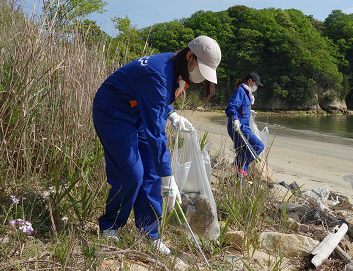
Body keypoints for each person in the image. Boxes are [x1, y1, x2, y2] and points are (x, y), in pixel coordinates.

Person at [92, 35, 221, 254]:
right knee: (131, 174)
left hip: (138, 111)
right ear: (190, 56)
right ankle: (110, 226)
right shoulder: (157, 73)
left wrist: (170, 114)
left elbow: (154, 100)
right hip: (113, 112)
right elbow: (155, 132)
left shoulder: (177, 69)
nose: (201, 78)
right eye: (202, 69)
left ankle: (149, 232)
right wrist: (168, 177)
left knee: (151, 173)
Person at [225, 72, 265, 177]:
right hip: (238, 127)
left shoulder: (248, 95)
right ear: (250, 81)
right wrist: (235, 119)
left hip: (243, 127)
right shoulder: (241, 91)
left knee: (244, 151)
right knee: (258, 146)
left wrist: (249, 113)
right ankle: (237, 163)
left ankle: (239, 183)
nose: (256, 87)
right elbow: (231, 107)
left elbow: (241, 109)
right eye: (256, 84)